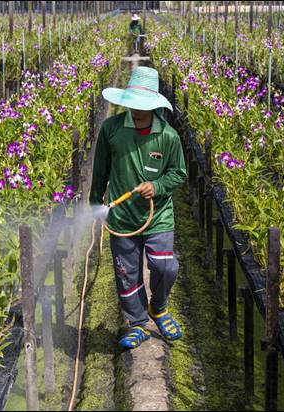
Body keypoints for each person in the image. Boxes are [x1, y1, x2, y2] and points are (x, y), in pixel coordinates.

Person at [90, 67, 187, 350]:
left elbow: (178, 173)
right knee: (126, 272)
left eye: (142, 107)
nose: (137, 111)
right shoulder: (112, 130)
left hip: (158, 216)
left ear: (154, 106)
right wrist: (96, 205)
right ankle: (137, 323)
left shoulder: (168, 137)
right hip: (121, 217)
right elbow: (100, 171)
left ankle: (159, 306)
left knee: (165, 266)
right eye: (132, 105)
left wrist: (156, 187)